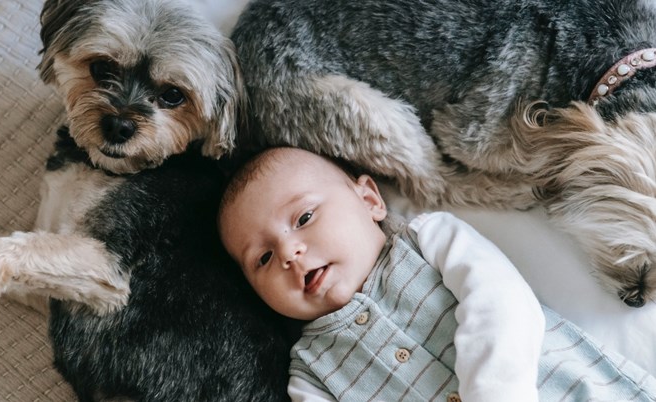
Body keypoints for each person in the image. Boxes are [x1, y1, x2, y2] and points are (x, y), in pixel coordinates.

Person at [218, 147, 656, 402]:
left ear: (370, 199)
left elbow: (502, 302)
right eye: (263, 259)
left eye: (304, 217)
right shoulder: (309, 373)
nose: (290, 253)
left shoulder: (431, 239)